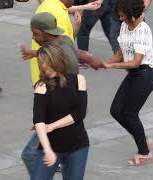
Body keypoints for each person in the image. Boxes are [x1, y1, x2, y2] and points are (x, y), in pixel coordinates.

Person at [20, 12, 101, 177]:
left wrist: (47, 123)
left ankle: (57, 161)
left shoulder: (63, 73)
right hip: (58, 118)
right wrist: (34, 53)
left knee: (29, 153)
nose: (33, 37)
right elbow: (54, 52)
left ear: (46, 33)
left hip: (63, 119)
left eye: (35, 33)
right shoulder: (64, 40)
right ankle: (58, 161)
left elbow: (77, 111)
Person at [101, 0, 153, 166]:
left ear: (132, 15)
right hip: (135, 74)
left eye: (123, 15)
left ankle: (144, 153)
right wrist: (102, 63)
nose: (120, 17)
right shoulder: (125, 25)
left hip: (146, 74)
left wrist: (110, 65)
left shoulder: (143, 30)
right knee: (116, 111)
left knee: (130, 114)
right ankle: (143, 139)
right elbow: (120, 53)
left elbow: (135, 62)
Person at [31, 42, 89, 180]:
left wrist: (52, 125)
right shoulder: (42, 86)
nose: (45, 70)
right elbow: (38, 120)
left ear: (58, 61)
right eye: (42, 66)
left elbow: (80, 113)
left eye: (49, 65)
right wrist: (47, 150)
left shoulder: (79, 80)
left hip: (77, 145)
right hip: (51, 145)